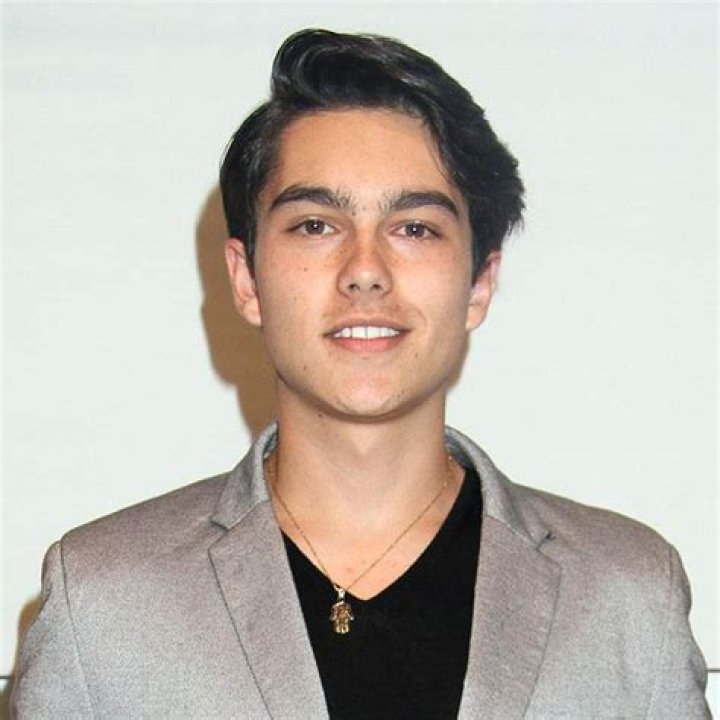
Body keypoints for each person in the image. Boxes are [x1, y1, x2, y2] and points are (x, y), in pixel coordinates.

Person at [12, 28, 709, 718]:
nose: (366, 271)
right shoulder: (103, 602)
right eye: (315, 225)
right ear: (246, 279)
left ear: (479, 283)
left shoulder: (627, 596)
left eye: (415, 228)